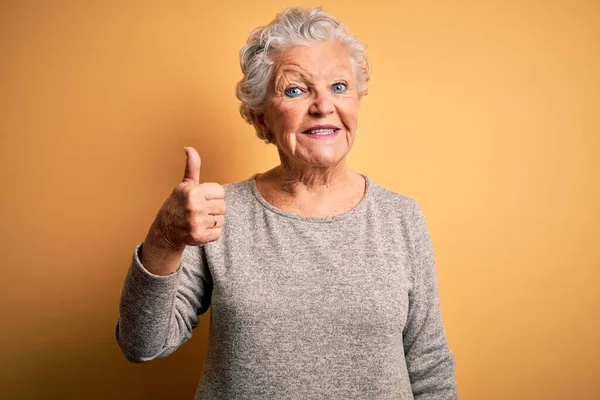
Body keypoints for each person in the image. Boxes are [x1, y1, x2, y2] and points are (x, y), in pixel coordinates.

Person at [116, 6, 457, 399]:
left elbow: (429, 366)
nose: (323, 105)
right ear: (261, 120)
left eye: (339, 86)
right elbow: (141, 345)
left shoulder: (400, 217)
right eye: (295, 90)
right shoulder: (217, 214)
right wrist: (164, 240)